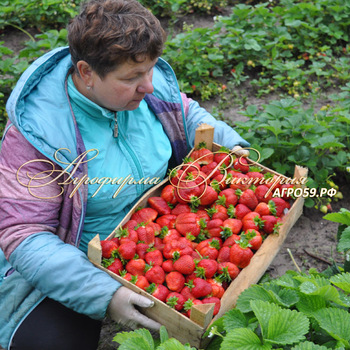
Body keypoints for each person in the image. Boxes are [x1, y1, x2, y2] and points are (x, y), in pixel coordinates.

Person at [0, 0, 249, 349]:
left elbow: (188, 114)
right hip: (75, 259)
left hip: (163, 235)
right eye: (131, 77)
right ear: (86, 72)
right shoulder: (38, 133)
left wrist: (233, 147)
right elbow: (24, 234)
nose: (148, 85)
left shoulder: (150, 88)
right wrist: (105, 294)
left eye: (150, 70)